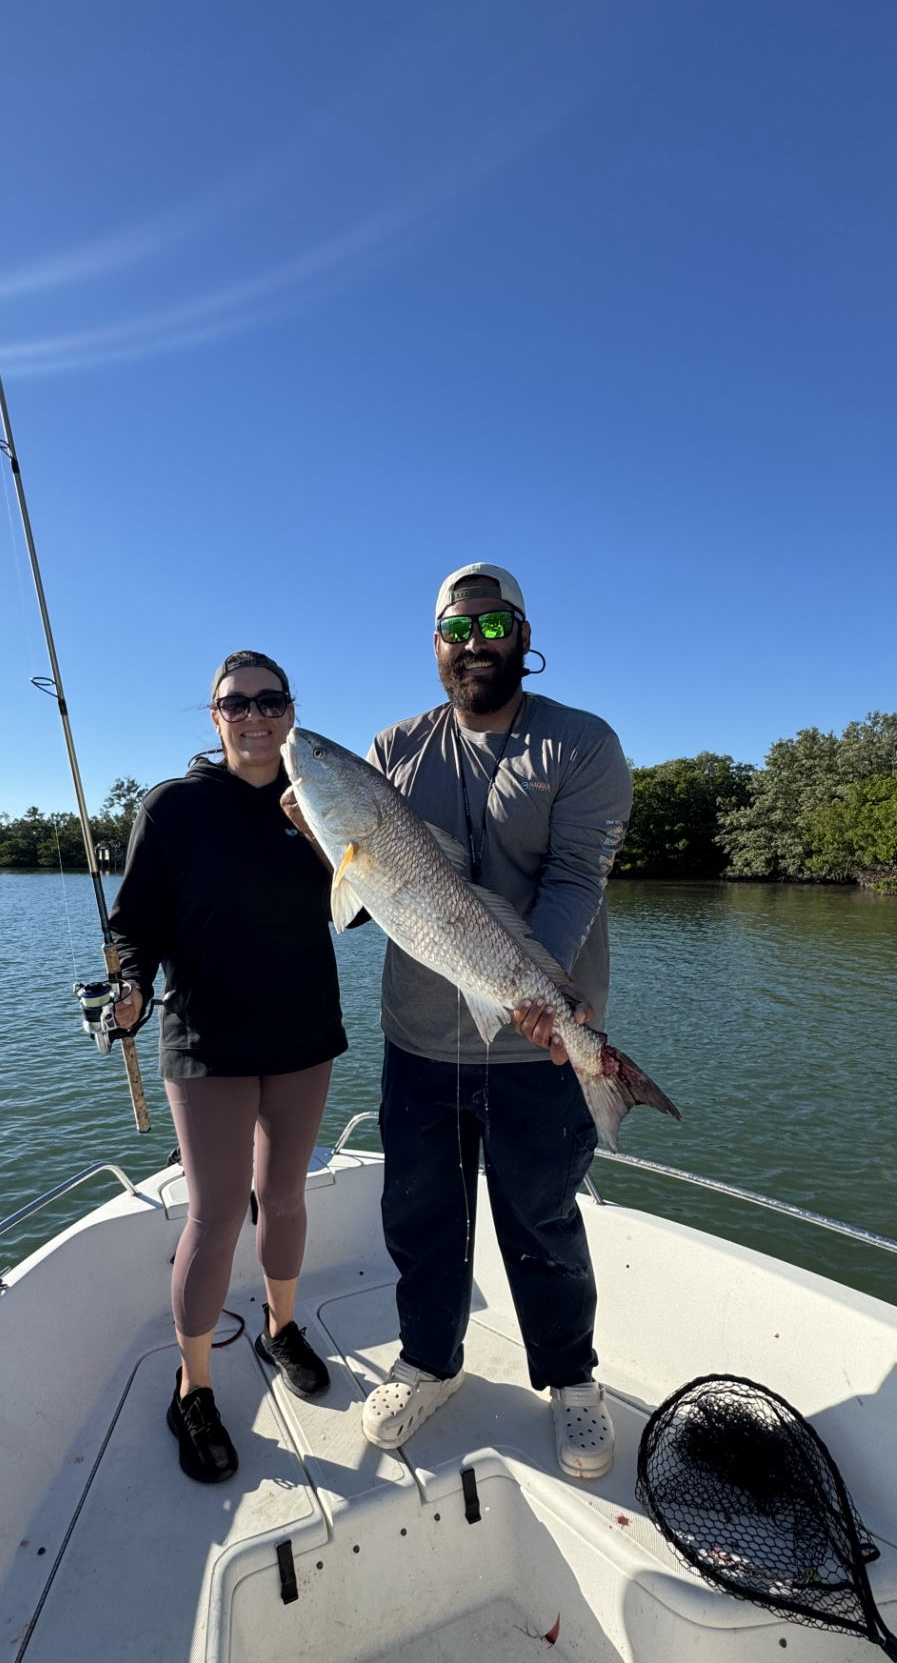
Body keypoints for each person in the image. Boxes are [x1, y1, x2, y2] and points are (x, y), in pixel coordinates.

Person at [305, 563, 632, 1483]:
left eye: (495, 629)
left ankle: (571, 1383)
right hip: (420, 1041)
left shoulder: (582, 744)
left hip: (537, 1041)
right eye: (459, 630)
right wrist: (314, 833)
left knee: (542, 1217)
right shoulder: (392, 748)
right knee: (421, 1218)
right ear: (435, 643)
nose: (476, 646)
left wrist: (540, 990)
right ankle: (428, 1363)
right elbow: (363, 898)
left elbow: (577, 878)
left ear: (525, 634)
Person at [108, 653, 343, 1486]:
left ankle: (281, 1330)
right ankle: (193, 1384)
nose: (254, 714)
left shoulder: (321, 799)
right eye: (235, 703)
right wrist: (130, 987)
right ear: (214, 718)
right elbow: (135, 926)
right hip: (204, 1040)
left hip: (304, 1033)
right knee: (213, 1215)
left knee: (284, 1195)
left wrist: (319, 835)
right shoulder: (173, 807)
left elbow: (351, 910)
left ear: (290, 712)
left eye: (270, 700)